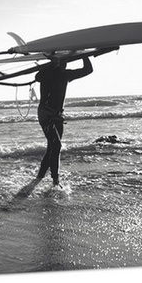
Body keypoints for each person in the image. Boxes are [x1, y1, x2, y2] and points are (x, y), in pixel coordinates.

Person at [32, 56, 93, 188]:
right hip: (46, 114)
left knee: (52, 147)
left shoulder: (66, 75)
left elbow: (88, 70)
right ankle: (55, 181)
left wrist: (84, 54)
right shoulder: (47, 73)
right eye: (62, 62)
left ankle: (40, 176)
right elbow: (38, 77)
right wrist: (52, 65)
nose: (64, 64)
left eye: (65, 62)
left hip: (58, 116)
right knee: (57, 145)